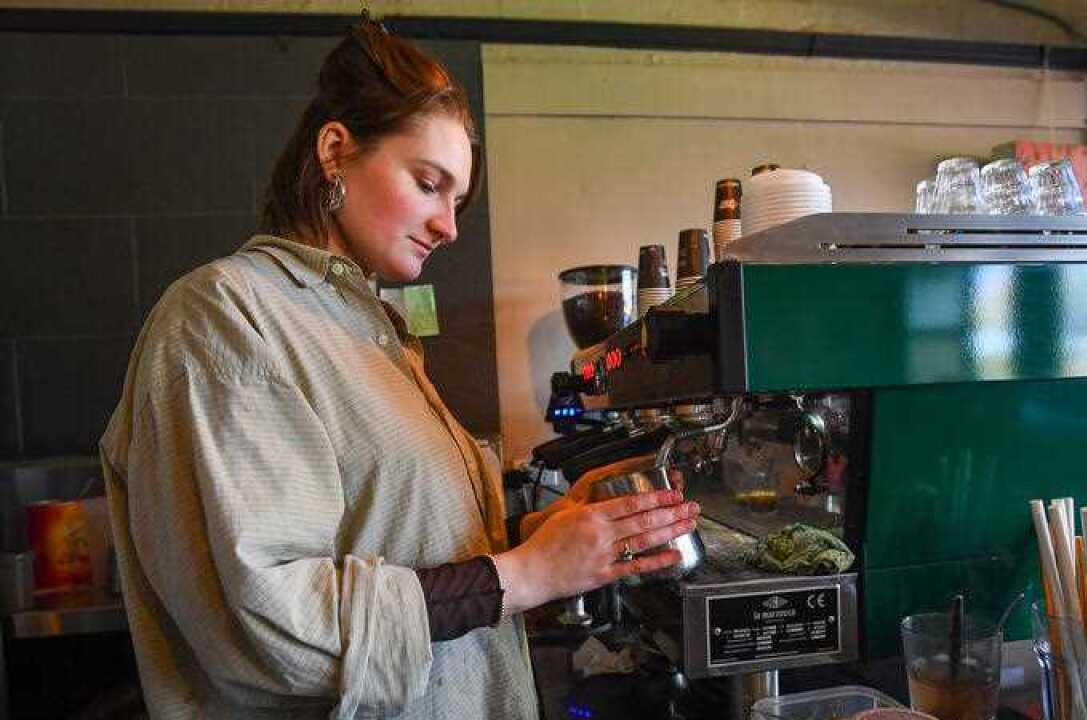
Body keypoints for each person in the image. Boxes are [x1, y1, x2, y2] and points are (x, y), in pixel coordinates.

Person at [99, 16, 699, 719]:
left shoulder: (370, 332)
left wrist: (548, 537)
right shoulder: (227, 317)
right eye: (428, 183)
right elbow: (270, 626)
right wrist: (524, 574)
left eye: (457, 199)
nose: (449, 224)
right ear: (335, 151)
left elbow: (399, 552)